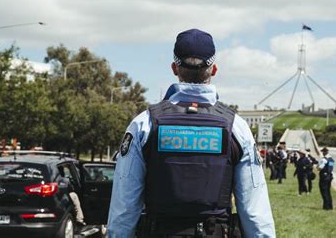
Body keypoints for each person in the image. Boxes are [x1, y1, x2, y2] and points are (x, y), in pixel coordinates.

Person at [107, 28, 275, 237]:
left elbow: (124, 206)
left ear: (174, 68)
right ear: (213, 70)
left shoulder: (143, 124)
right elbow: (254, 210)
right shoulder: (237, 128)